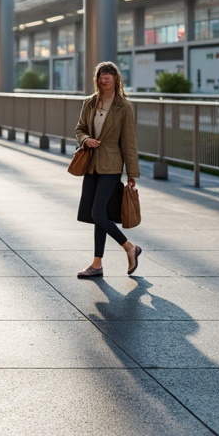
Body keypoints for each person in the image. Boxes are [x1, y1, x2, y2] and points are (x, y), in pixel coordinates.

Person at [74, 61, 142, 278]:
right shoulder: (90, 103)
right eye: (101, 75)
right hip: (92, 164)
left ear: (116, 78)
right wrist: (86, 140)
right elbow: (80, 129)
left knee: (98, 212)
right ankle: (97, 264)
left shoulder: (124, 107)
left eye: (108, 74)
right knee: (98, 215)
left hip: (112, 164)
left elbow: (129, 142)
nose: (104, 78)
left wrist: (132, 173)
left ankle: (129, 247)